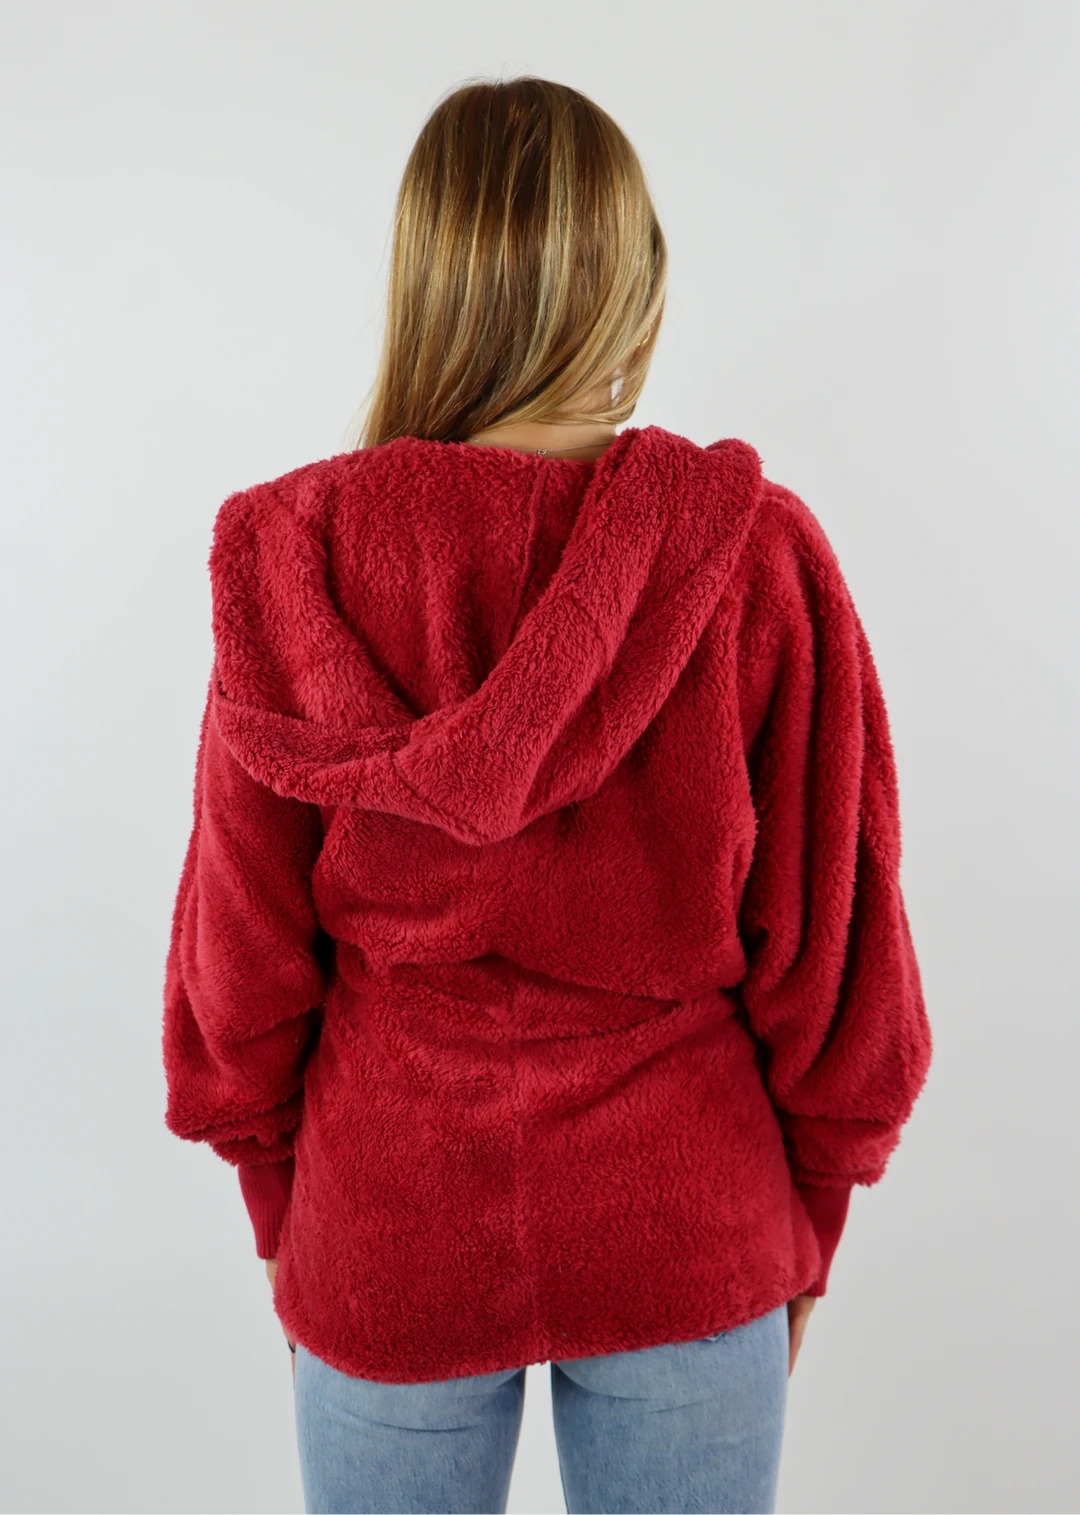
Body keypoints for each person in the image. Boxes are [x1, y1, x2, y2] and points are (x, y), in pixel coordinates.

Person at [161, 75, 933, 1515]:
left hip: (388, 1224)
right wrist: (813, 1211)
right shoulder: (750, 554)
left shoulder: (293, 558)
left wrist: (280, 1203)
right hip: (686, 1223)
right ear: (632, 288)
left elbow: (240, 951)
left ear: (429, 287)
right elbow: (837, 935)